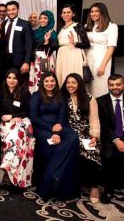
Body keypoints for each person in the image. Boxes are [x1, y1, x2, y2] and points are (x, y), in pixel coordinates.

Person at [29, 72, 80, 200]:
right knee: (53, 146)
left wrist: (57, 131)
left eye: (52, 81)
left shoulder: (60, 96)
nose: (50, 83)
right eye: (46, 81)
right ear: (42, 82)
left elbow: (62, 115)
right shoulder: (36, 96)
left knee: (73, 137)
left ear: (56, 82)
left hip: (60, 125)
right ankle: (49, 185)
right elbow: (33, 117)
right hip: (42, 127)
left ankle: (57, 177)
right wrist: (51, 129)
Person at [96, 74, 124, 203]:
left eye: (118, 84)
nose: (114, 87)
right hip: (110, 136)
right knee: (108, 155)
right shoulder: (100, 101)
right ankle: (108, 190)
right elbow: (103, 125)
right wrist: (116, 140)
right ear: (108, 86)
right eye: (111, 85)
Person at [61, 73, 101, 204]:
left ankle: (94, 187)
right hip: (69, 133)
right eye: (68, 82)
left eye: (73, 82)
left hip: (86, 133)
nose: (70, 85)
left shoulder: (90, 99)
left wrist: (94, 136)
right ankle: (76, 186)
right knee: (71, 154)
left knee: (92, 153)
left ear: (79, 84)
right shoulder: (61, 98)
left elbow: (94, 119)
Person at [0, 68, 34, 188]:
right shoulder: (1, 92)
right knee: (10, 137)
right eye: (9, 77)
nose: (11, 80)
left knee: (15, 137)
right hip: (5, 123)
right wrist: (5, 117)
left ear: (18, 80)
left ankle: (7, 166)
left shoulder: (24, 93)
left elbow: (28, 111)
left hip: (20, 121)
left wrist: (14, 116)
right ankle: (10, 171)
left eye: (14, 78)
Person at [86, 3, 118, 98]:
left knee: (99, 88)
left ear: (102, 13)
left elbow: (111, 47)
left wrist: (103, 66)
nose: (93, 14)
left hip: (101, 60)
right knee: (86, 88)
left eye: (97, 11)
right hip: (87, 60)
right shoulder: (87, 26)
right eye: (92, 11)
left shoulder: (112, 26)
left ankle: (99, 112)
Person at [55, 4, 90, 85]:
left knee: (72, 77)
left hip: (73, 54)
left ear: (73, 14)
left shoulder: (78, 26)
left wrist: (75, 43)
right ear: (61, 14)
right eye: (64, 12)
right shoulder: (60, 28)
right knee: (61, 78)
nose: (66, 14)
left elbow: (87, 44)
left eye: (68, 12)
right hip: (61, 55)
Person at [0, 1, 33, 80]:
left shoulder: (25, 24)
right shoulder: (2, 24)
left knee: (20, 83)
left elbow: (29, 45)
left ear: (18, 9)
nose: (11, 12)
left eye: (13, 9)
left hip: (20, 61)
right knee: (5, 83)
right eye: (8, 10)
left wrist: (27, 62)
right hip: (4, 61)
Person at [29, 10, 58, 93]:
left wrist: (46, 42)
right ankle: (35, 96)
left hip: (45, 58)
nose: (42, 20)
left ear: (50, 19)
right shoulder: (35, 32)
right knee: (34, 79)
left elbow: (55, 47)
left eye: (45, 18)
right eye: (41, 18)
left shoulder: (52, 32)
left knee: (45, 79)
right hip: (34, 58)